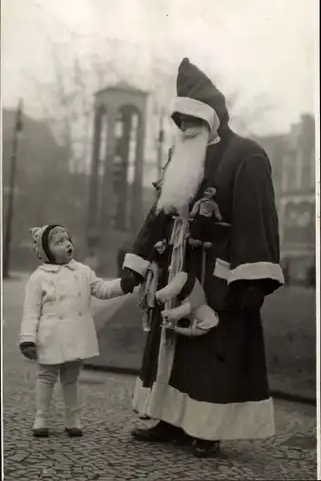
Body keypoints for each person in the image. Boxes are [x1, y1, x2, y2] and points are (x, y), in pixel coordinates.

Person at [121, 57, 284, 458]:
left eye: (191, 120)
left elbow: (255, 217)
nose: (185, 128)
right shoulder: (180, 158)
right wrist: (137, 262)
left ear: (212, 118)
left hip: (218, 274)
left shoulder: (246, 155)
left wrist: (251, 278)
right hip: (175, 269)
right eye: (180, 121)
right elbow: (159, 214)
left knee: (212, 350)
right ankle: (169, 421)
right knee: (171, 347)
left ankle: (206, 429)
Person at [19, 224, 136, 438]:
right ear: (46, 251)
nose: (66, 244)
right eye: (59, 242)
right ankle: (41, 416)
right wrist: (28, 338)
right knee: (46, 377)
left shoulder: (82, 271)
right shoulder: (38, 277)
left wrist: (125, 284)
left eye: (67, 239)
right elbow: (31, 311)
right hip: (50, 337)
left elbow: (101, 289)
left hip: (75, 335)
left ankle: (72, 418)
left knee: (71, 378)